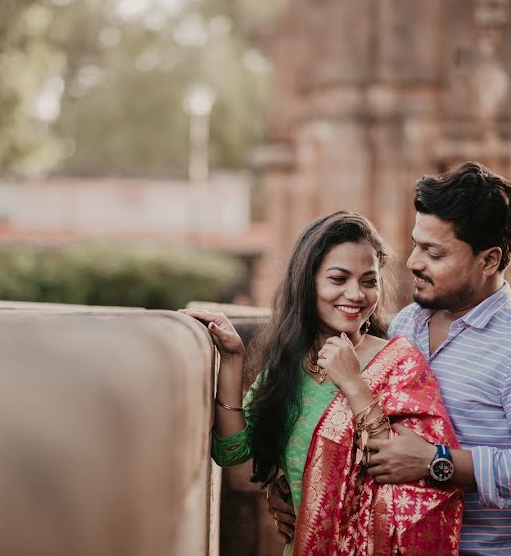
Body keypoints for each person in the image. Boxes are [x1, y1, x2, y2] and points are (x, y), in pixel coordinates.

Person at [267, 163, 511, 555]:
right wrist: (303, 489)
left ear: (488, 260)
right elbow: (363, 424)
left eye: (433, 252)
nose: (413, 261)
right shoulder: (407, 324)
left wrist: (439, 463)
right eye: (416, 244)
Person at [182, 211, 463, 555]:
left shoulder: (401, 363)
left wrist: (354, 384)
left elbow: (413, 482)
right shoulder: (289, 365)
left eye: (368, 281)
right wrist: (232, 359)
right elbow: (232, 450)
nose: (355, 294)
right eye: (338, 278)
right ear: (308, 283)